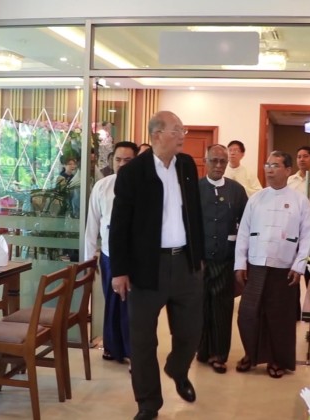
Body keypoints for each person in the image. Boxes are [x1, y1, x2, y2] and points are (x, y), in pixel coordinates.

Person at [109, 111, 204, 420]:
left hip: (185, 263)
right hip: (146, 269)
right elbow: (119, 225)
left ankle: (177, 368)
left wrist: (199, 257)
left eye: (183, 129)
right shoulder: (133, 173)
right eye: (177, 130)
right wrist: (119, 271)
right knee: (143, 341)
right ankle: (148, 403)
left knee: (191, 331)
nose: (182, 135)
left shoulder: (186, 165)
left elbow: (194, 213)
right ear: (157, 134)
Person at [234, 150, 310, 379]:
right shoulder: (256, 198)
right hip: (256, 264)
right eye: (267, 165)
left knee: (279, 317)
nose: (269, 170)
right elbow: (243, 232)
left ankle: (277, 359)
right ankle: (251, 354)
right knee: (248, 313)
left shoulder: (299, 200)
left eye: (275, 165)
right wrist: (240, 263)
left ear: (288, 170)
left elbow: (307, 234)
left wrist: (299, 265)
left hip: (284, 268)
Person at [84, 141, 139, 366]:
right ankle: (112, 347)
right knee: (113, 302)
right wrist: (88, 259)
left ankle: (133, 350)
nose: (122, 164)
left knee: (132, 304)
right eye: (118, 160)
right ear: (111, 161)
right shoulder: (102, 186)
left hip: (136, 256)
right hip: (109, 254)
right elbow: (92, 224)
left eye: (128, 160)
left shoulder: (144, 186)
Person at [197, 144, 247, 374]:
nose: (218, 165)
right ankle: (202, 350)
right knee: (200, 306)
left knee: (222, 308)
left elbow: (245, 225)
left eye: (222, 161)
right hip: (199, 260)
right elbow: (188, 226)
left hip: (226, 258)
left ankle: (219, 354)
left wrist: (241, 259)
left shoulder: (236, 191)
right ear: (205, 162)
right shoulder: (194, 189)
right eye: (214, 161)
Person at [287, 146, 310, 221]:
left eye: (305, 156)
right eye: (299, 157)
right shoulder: (290, 180)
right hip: (293, 222)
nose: (301, 159)